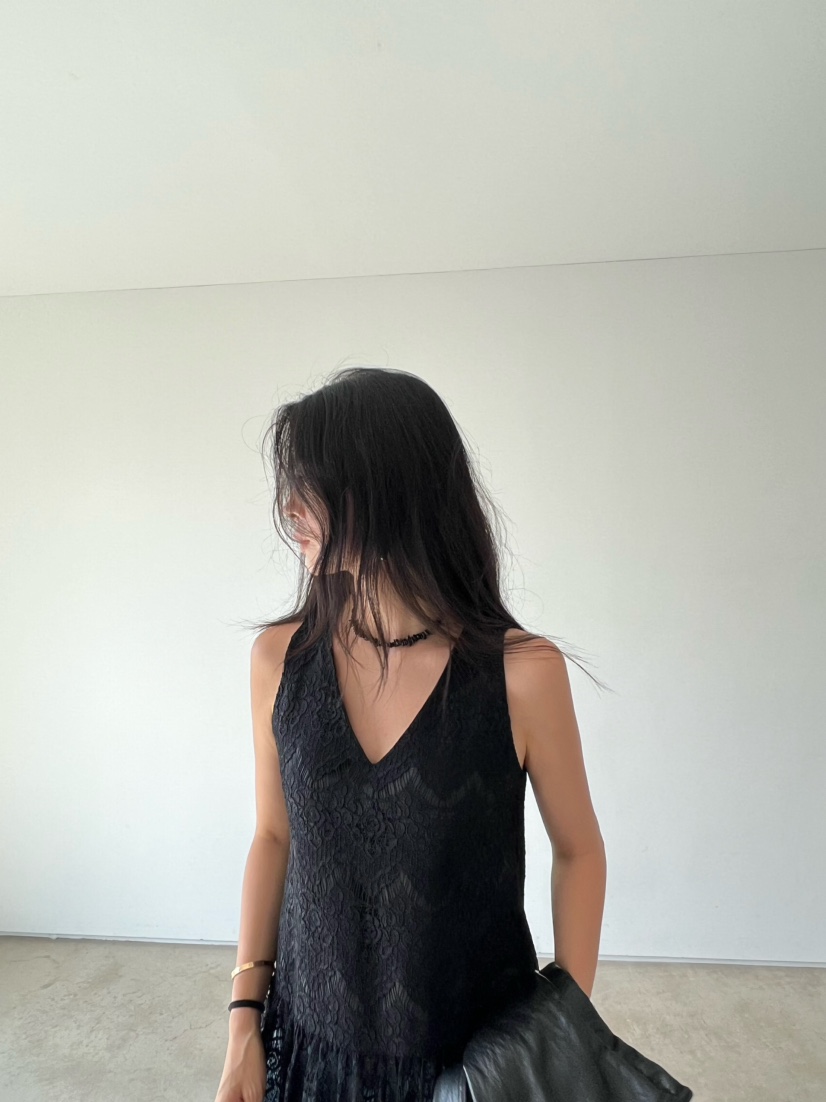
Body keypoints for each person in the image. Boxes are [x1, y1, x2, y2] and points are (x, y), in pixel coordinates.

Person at [215, 366, 607, 1102]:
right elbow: (272, 836)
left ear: (389, 490)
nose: (291, 510)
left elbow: (580, 850)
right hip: (309, 1054)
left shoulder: (521, 675)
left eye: (312, 488)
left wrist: (557, 1035)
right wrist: (243, 1023)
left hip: (471, 1071)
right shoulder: (279, 660)